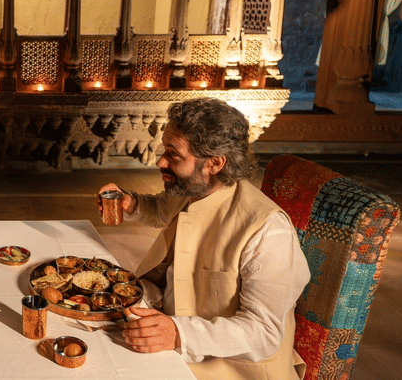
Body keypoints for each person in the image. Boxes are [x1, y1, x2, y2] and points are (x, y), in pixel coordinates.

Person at [97, 97, 310, 380]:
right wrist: (131, 203)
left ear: (214, 164)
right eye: (164, 150)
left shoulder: (268, 231)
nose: (160, 162)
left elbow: (263, 333)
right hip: (165, 327)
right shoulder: (193, 188)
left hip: (226, 369)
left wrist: (177, 333)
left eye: (173, 155)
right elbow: (161, 208)